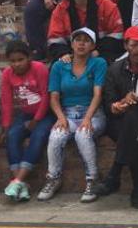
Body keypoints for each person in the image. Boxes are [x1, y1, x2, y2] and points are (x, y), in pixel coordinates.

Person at [38, 28, 108, 203]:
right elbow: (53, 97)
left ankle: (92, 180)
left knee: (83, 135)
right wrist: (61, 117)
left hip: (92, 112)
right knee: (56, 136)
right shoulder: (60, 65)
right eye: (78, 40)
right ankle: (53, 178)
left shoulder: (99, 63)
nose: (81, 43)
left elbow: (97, 95)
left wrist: (87, 118)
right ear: (71, 43)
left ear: (93, 45)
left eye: (86, 40)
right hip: (67, 113)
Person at [93, 27, 138, 207]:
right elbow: (109, 104)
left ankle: (115, 173)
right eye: (135, 44)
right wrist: (120, 104)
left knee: (135, 121)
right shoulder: (115, 69)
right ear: (126, 45)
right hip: (120, 121)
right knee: (133, 128)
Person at [0, 41, 53, 202]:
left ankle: (17, 181)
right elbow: (6, 103)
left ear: (29, 57)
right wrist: (6, 127)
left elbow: (46, 96)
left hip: (45, 113)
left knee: (38, 136)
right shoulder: (7, 74)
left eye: (20, 59)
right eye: (13, 61)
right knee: (13, 136)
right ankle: (20, 183)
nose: (17, 64)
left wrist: (37, 120)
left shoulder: (39, 68)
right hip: (26, 114)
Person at [47, 0, 124, 62]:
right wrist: (64, 54)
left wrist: (98, 51)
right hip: (70, 55)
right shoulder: (61, 9)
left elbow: (117, 35)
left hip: (102, 54)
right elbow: (55, 39)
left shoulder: (107, 6)